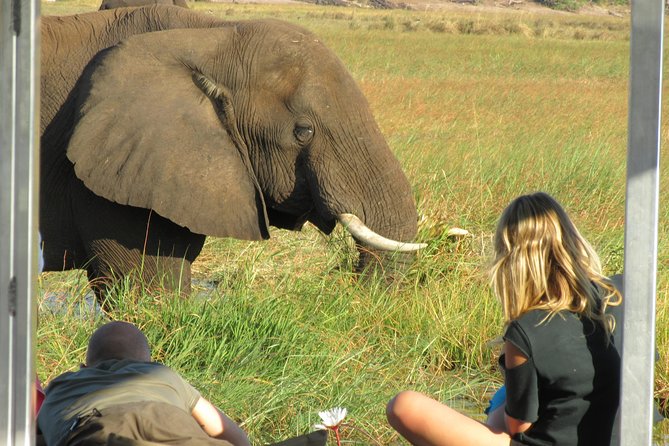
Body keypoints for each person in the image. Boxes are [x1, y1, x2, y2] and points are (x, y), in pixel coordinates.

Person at [386, 191, 622, 446]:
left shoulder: (527, 330)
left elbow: (518, 425)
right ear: (572, 240)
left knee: (404, 406)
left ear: (511, 261)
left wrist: (505, 403)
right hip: (620, 436)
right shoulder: (618, 294)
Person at [37, 321, 251, 446]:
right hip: (167, 418)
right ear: (147, 363)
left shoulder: (61, 384)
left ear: (84, 368)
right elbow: (233, 436)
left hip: (95, 427)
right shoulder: (163, 374)